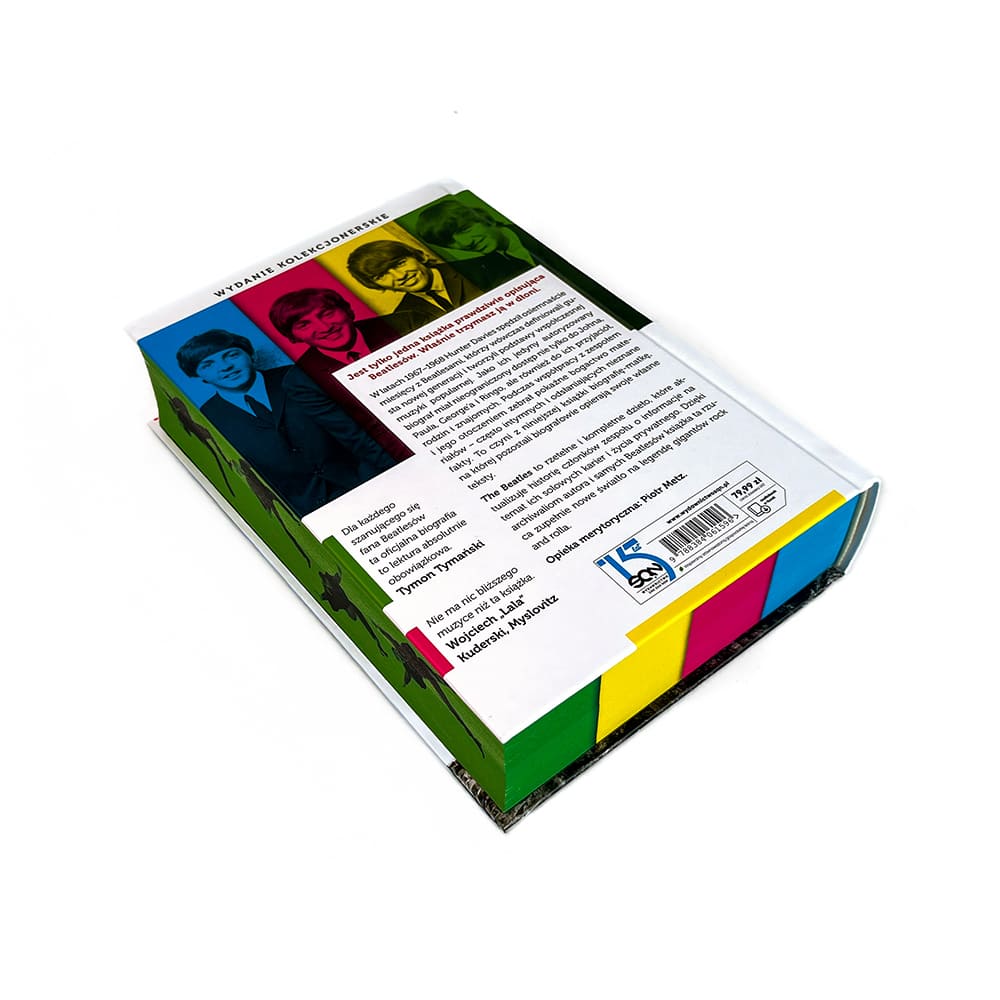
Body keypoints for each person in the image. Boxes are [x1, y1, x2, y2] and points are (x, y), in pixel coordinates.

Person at [176, 330, 396, 517]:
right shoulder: (206, 418)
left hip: (374, 481)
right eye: (208, 364)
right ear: (199, 376)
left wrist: (386, 473)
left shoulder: (301, 377)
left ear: (250, 355)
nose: (225, 367)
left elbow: (360, 428)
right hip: (310, 513)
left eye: (231, 355)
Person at [411, 198, 651, 330]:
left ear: (483, 218)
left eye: (464, 229)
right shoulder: (484, 272)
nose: (465, 243)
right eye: (451, 242)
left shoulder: (548, 234)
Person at [267, 287, 411, 461]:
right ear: (293, 336)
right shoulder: (301, 381)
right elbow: (360, 441)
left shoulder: (405, 323)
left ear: (347, 310)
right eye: (304, 325)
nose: (324, 327)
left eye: (327, 314)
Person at [345, 239, 481, 334]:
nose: (400, 276)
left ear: (420, 256)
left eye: (400, 263)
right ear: (374, 285)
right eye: (381, 276)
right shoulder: (402, 318)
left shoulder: (477, 268)